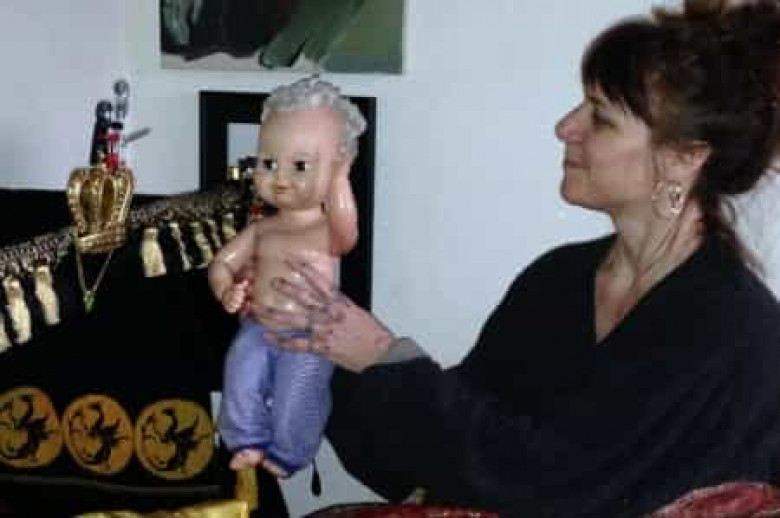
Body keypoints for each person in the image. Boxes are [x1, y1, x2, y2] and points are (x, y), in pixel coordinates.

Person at [254, 1, 780, 516]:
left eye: (600, 118)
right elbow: (441, 459)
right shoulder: (558, 281)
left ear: (685, 158)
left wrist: (381, 357)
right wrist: (312, 342)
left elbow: (554, 484)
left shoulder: (731, 328)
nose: (565, 127)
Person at [208, 76, 366, 477]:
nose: (280, 178)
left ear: (335, 169)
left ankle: (290, 450)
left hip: (311, 332)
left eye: (300, 166)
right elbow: (221, 263)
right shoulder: (263, 229)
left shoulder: (328, 229)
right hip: (258, 325)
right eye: (268, 163)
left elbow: (348, 229)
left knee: (298, 393)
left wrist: (341, 179)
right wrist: (226, 289)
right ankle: (245, 439)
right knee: (241, 373)